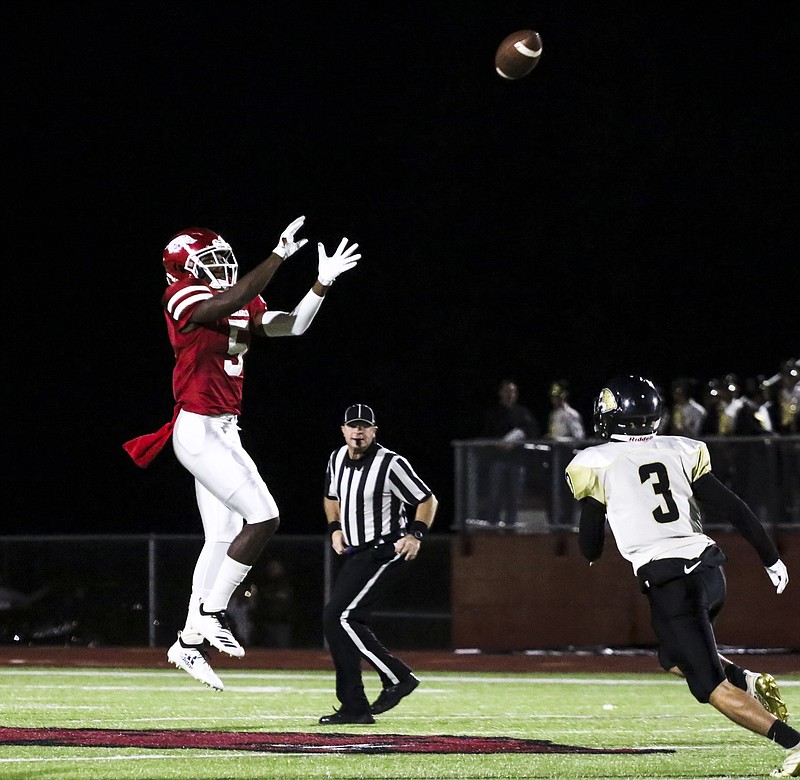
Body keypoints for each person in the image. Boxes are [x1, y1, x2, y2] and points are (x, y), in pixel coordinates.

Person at [123, 217, 360, 691]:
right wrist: (277, 256)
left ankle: (188, 643)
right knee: (264, 516)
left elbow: (291, 326)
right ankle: (212, 612)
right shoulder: (181, 297)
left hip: (224, 430)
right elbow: (228, 301)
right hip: (197, 429)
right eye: (207, 261)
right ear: (182, 269)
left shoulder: (234, 296)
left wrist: (321, 283)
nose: (220, 266)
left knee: (222, 534)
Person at [565, 375, 799, 778]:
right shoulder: (681, 449)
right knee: (672, 657)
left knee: (711, 688)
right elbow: (735, 507)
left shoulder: (595, 462)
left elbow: (590, 546)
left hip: (673, 583)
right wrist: (770, 559)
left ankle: (794, 743)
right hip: (709, 572)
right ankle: (748, 678)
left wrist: (593, 534)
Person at [319, 404, 438, 725]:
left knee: (343, 617)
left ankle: (397, 676)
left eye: (364, 427)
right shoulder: (336, 458)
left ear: (374, 431)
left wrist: (415, 534)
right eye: (353, 427)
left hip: (387, 549)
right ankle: (354, 706)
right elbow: (331, 496)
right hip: (358, 553)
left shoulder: (391, 463)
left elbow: (427, 500)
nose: (358, 432)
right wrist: (335, 529)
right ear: (343, 430)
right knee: (335, 620)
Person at [481, 379, 540, 527]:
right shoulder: (493, 413)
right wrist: (498, 444)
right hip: (498, 460)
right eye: (507, 391)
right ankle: (492, 525)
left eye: (513, 391)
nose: (510, 394)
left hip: (517, 461)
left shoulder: (522, 412)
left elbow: (532, 430)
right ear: (500, 393)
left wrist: (519, 437)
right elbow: (487, 434)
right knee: (495, 495)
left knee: (514, 496)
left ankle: (511, 526)